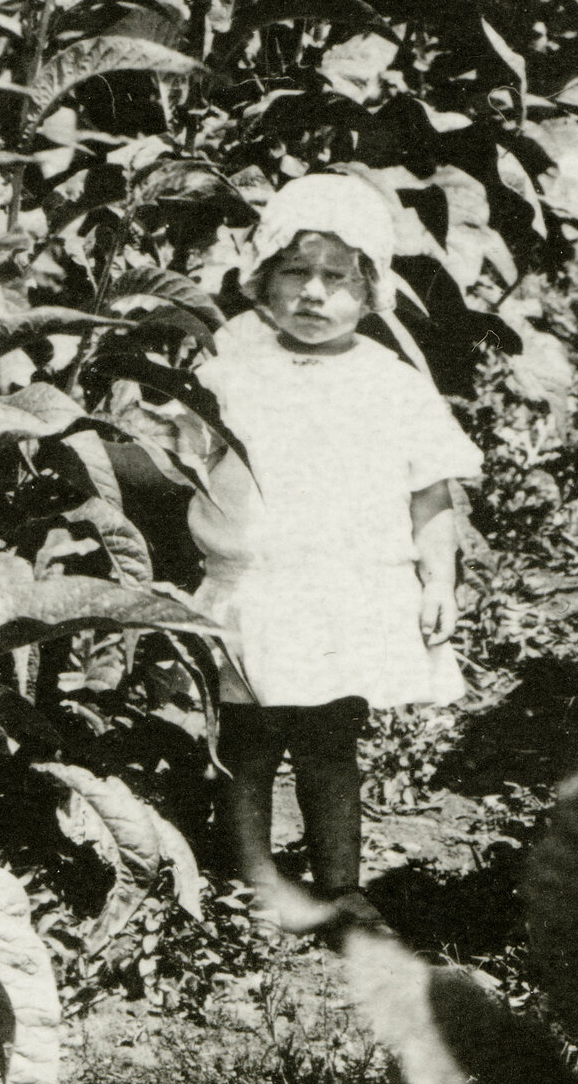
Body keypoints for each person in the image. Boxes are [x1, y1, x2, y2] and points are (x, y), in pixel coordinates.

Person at [189, 171, 481, 920]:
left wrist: (438, 580)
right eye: (294, 272)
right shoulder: (228, 362)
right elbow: (172, 448)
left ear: (372, 287)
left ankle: (341, 886)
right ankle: (258, 881)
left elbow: (430, 489)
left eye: (338, 277)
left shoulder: (388, 380)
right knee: (248, 743)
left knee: (329, 745)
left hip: (344, 593)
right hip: (255, 586)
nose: (314, 294)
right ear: (260, 278)